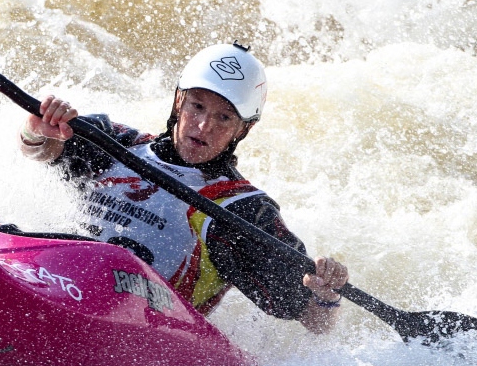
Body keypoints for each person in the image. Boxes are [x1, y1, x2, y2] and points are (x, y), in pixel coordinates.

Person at [18, 41, 348, 335]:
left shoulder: (241, 209)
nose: (203, 126)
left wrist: (327, 294)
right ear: (179, 101)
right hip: (57, 287)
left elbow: (312, 319)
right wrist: (37, 130)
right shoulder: (116, 142)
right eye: (197, 106)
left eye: (224, 118)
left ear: (244, 129)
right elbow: (44, 149)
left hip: (142, 332)